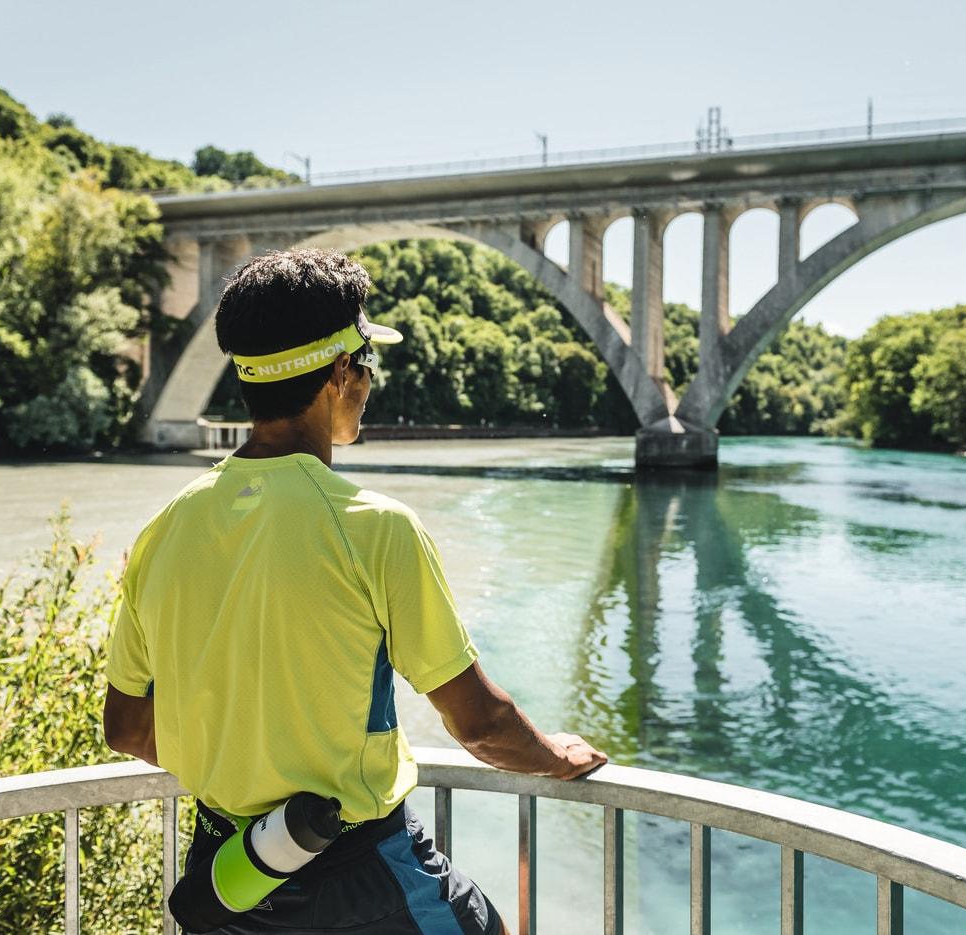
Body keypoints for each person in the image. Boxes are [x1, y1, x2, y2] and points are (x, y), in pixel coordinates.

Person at [103, 249, 607, 934]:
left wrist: (244, 762)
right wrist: (556, 755)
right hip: (358, 876)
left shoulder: (162, 531)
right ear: (341, 372)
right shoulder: (375, 527)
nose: (370, 381)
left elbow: (127, 726)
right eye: (368, 364)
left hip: (228, 876)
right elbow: (482, 725)